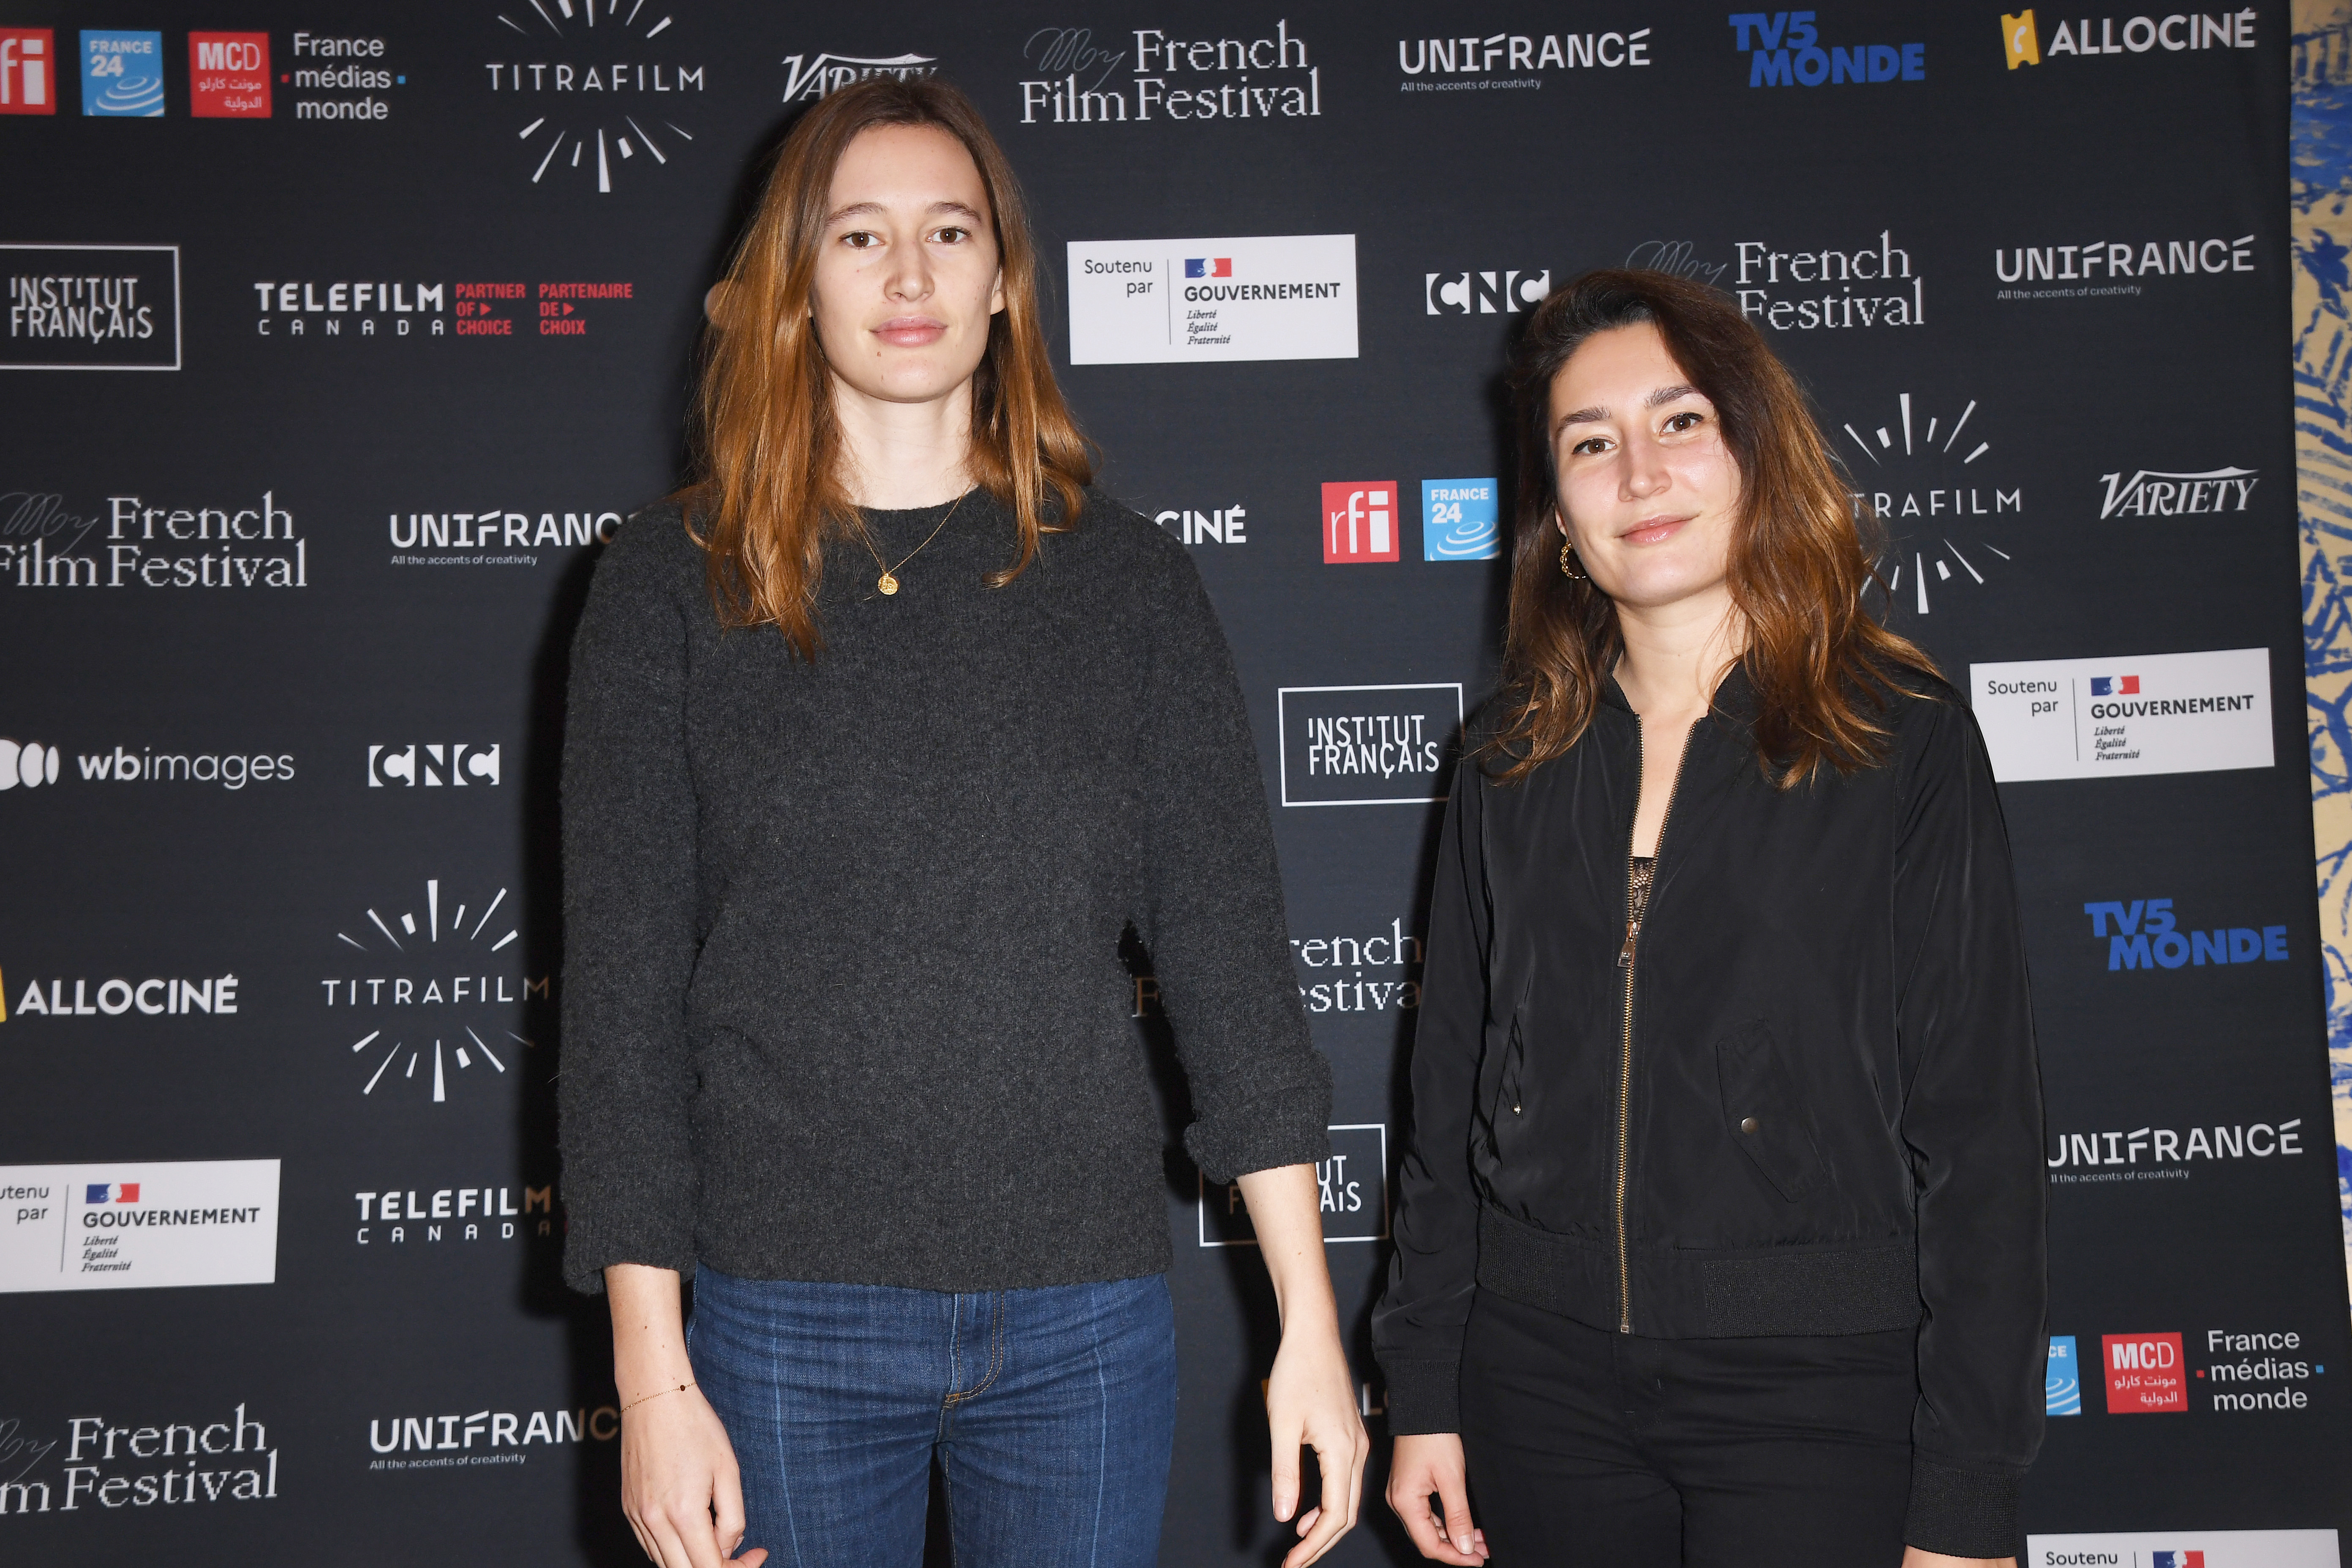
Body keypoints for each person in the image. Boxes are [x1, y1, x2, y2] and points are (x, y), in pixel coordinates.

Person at [559, 77, 1366, 1568]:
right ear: (797, 281)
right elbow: (619, 1010)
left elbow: (1235, 975)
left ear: (1006, 282)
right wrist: (649, 1374)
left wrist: (1309, 1327)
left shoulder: (1128, 587)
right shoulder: (668, 584)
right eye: (859, 237)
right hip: (779, 1319)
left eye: (949, 232)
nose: (910, 276)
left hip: (1084, 1326)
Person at [1372, 269, 2046, 1568]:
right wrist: (1429, 1387)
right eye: (1590, 442)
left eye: (1680, 422)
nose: (1639, 472)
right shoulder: (1507, 759)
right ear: (1557, 511)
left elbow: (1985, 1142)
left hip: (1821, 1396)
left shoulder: (1898, 740)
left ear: (1754, 447)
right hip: (1539, 1389)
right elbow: (1444, 1102)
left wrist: (1970, 1491)